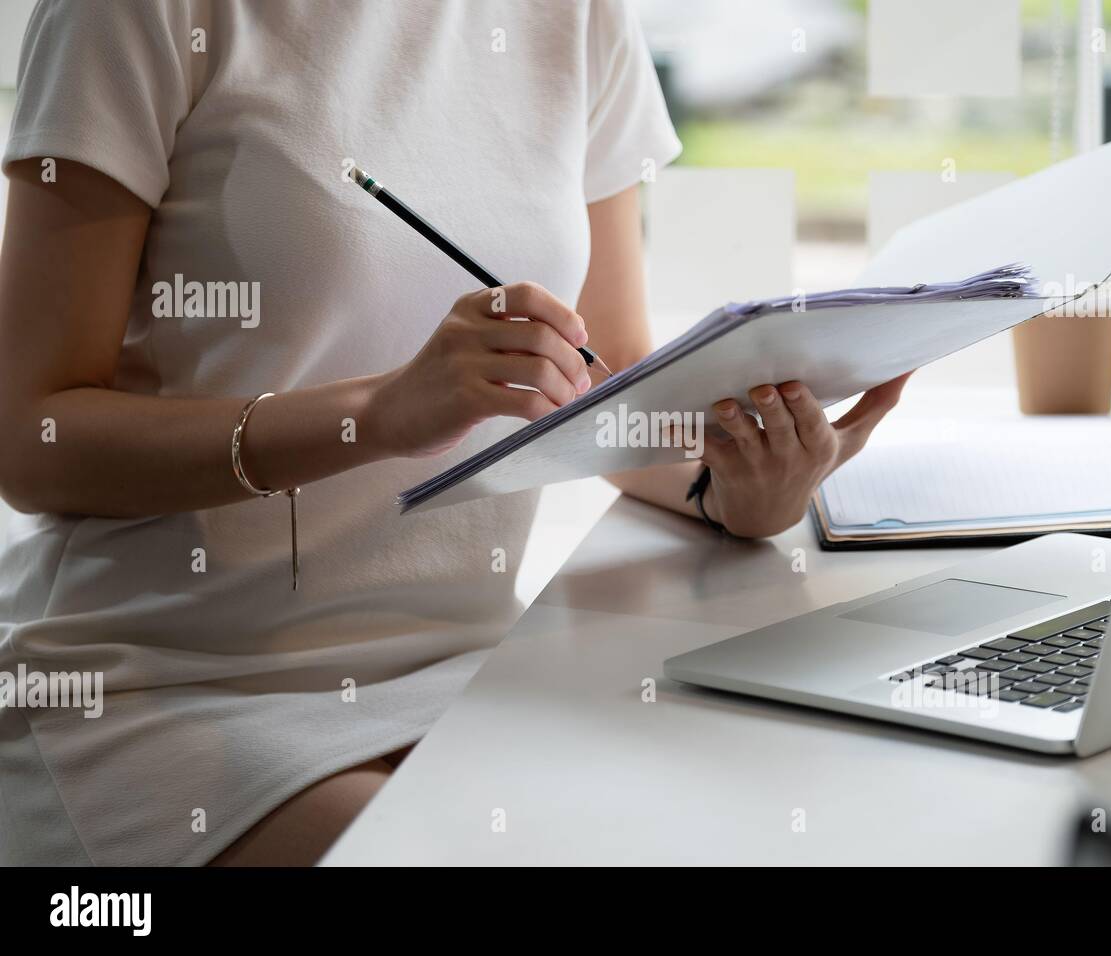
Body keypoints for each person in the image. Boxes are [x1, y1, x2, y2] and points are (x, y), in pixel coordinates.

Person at [0, 0, 908, 866]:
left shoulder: (581, 16)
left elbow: (609, 379)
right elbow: (29, 440)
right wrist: (378, 414)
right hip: (163, 680)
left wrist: (737, 487)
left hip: (464, 665)